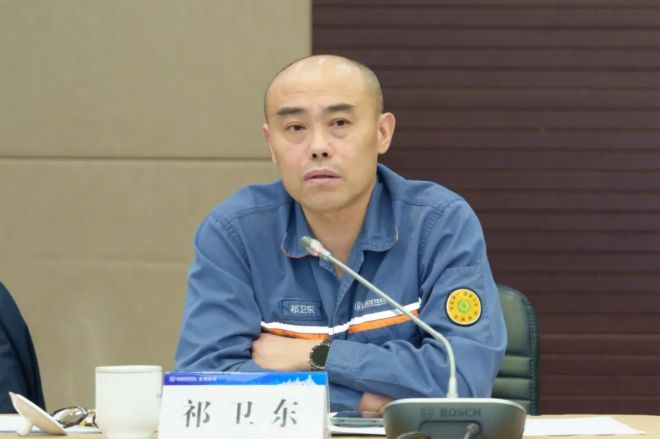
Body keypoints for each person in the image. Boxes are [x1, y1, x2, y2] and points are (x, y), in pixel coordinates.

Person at [175, 55, 507, 412]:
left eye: (339, 123)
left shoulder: (438, 224)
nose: (318, 146)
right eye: (295, 128)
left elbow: (463, 379)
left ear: (382, 133)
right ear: (271, 144)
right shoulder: (235, 233)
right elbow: (206, 383)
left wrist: (315, 354)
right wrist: (362, 402)